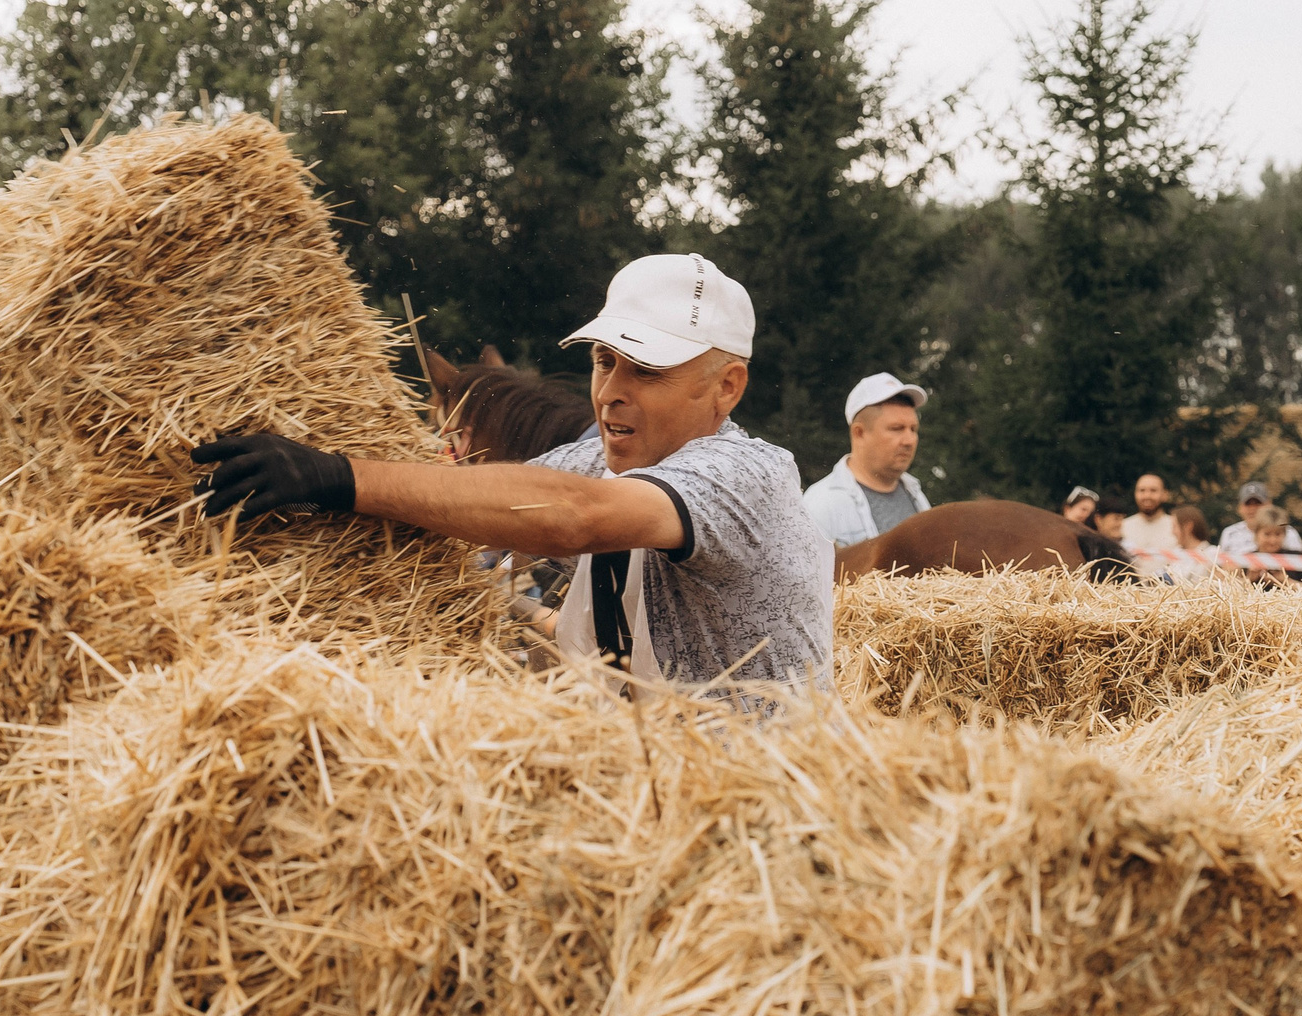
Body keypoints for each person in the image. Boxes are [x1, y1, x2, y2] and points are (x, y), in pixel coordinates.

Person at [192, 252, 831, 690]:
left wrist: (341, 476)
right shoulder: (599, 462)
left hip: (757, 810)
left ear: (727, 386)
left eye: (646, 371)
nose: (610, 391)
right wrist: (308, 500)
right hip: (637, 798)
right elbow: (476, 504)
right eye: (604, 361)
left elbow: (574, 516)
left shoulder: (749, 476)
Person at [802, 372, 930, 548]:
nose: (909, 441)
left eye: (913, 429)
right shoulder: (821, 505)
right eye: (896, 428)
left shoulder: (915, 494)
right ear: (859, 433)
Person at [1219, 482, 1302, 556]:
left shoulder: (1289, 532)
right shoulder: (1230, 533)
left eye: (1258, 503)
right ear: (1239, 507)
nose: (1252, 509)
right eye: (1248, 504)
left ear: (1269, 504)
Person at [1245, 505, 1302, 587]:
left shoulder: (1298, 559)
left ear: (1284, 534)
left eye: (1278, 534)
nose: (1273, 541)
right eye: (1267, 534)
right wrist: (1249, 579)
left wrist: (1285, 581)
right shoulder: (1245, 560)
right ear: (1256, 533)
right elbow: (1234, 588)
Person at [1120, 474, 1178, 556]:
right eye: (1142, 490)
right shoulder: (1122, 527)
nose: (1147, 496)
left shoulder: (1177, 527)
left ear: (1165, 495)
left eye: (1153, 490)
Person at [1163, 505, 1221, 582]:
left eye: (1175, 526)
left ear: (1188, 526)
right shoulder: (1175, 553)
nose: (1173, 532)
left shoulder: (1213, 554)